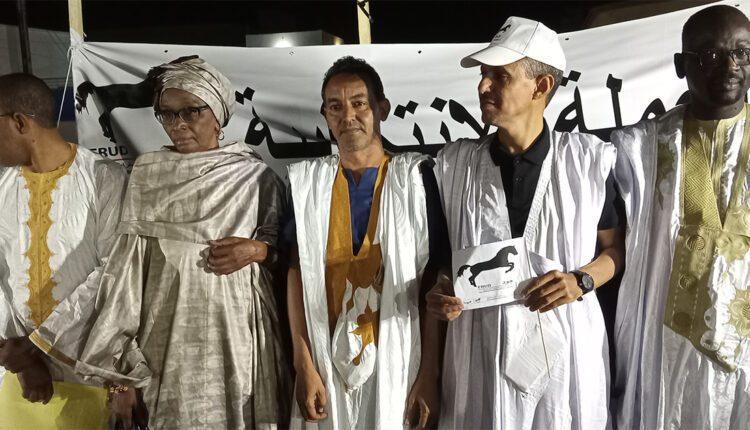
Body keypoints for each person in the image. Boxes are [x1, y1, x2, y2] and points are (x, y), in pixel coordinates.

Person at [37, 56, 291, 429]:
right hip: (166, 342)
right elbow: (126, 274)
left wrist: (259, 251)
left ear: (218, 114)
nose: (178, 124)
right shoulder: (147, 174)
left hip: (240, 339)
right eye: (167, 114)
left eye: (191, 111)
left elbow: (290, 263)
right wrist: (122, 372)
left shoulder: (256, 177)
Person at [427, 17, 624, 429]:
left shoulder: (586, 162)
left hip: (566, 357)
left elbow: (615, 250)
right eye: (483, 75)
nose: (483, 86)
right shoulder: (455, 166)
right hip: (481, 350)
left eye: (500, 76)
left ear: (541, 86)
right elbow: (444, 259)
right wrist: (443, 288)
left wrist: (581, 281)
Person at [285, 56, 448, 429]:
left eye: (359, 103)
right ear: (325, 115)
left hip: (399, 356)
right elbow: (296, 274)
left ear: (382, 109)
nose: (348, 116)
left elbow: (434, 279)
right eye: (335, 107)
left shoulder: (415, 178)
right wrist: (303, 363)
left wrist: (430, 373)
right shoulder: (308, 185)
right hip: (324, 360)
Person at [613, 5, 750, 428]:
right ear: (680, 64)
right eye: (710, 55)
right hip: (666, 350)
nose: (730, 66)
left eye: (742, 52)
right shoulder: (638, 149)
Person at [0, 73, 128, 429]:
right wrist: (20, 356)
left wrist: (38, 345)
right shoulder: (2, 187)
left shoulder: (104, 178)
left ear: (20, 123)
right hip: (17, 373)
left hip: (90, 369)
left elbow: (115, 272)